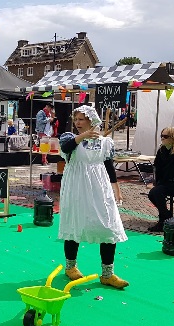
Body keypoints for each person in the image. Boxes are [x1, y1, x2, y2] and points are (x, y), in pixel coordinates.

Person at [58, 105, 128, 289]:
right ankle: (70, 267)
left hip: (100, 185)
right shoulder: (69, 138)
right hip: (77, 186)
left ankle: (108, 274)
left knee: (108, 225)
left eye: (82, 119)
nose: (78, 122)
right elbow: (66, 147)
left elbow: (109, 166)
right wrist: (82, 136)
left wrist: (116, 189)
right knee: (76, 222)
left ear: (91, 120)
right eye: (76, 119)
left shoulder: (105, 142)